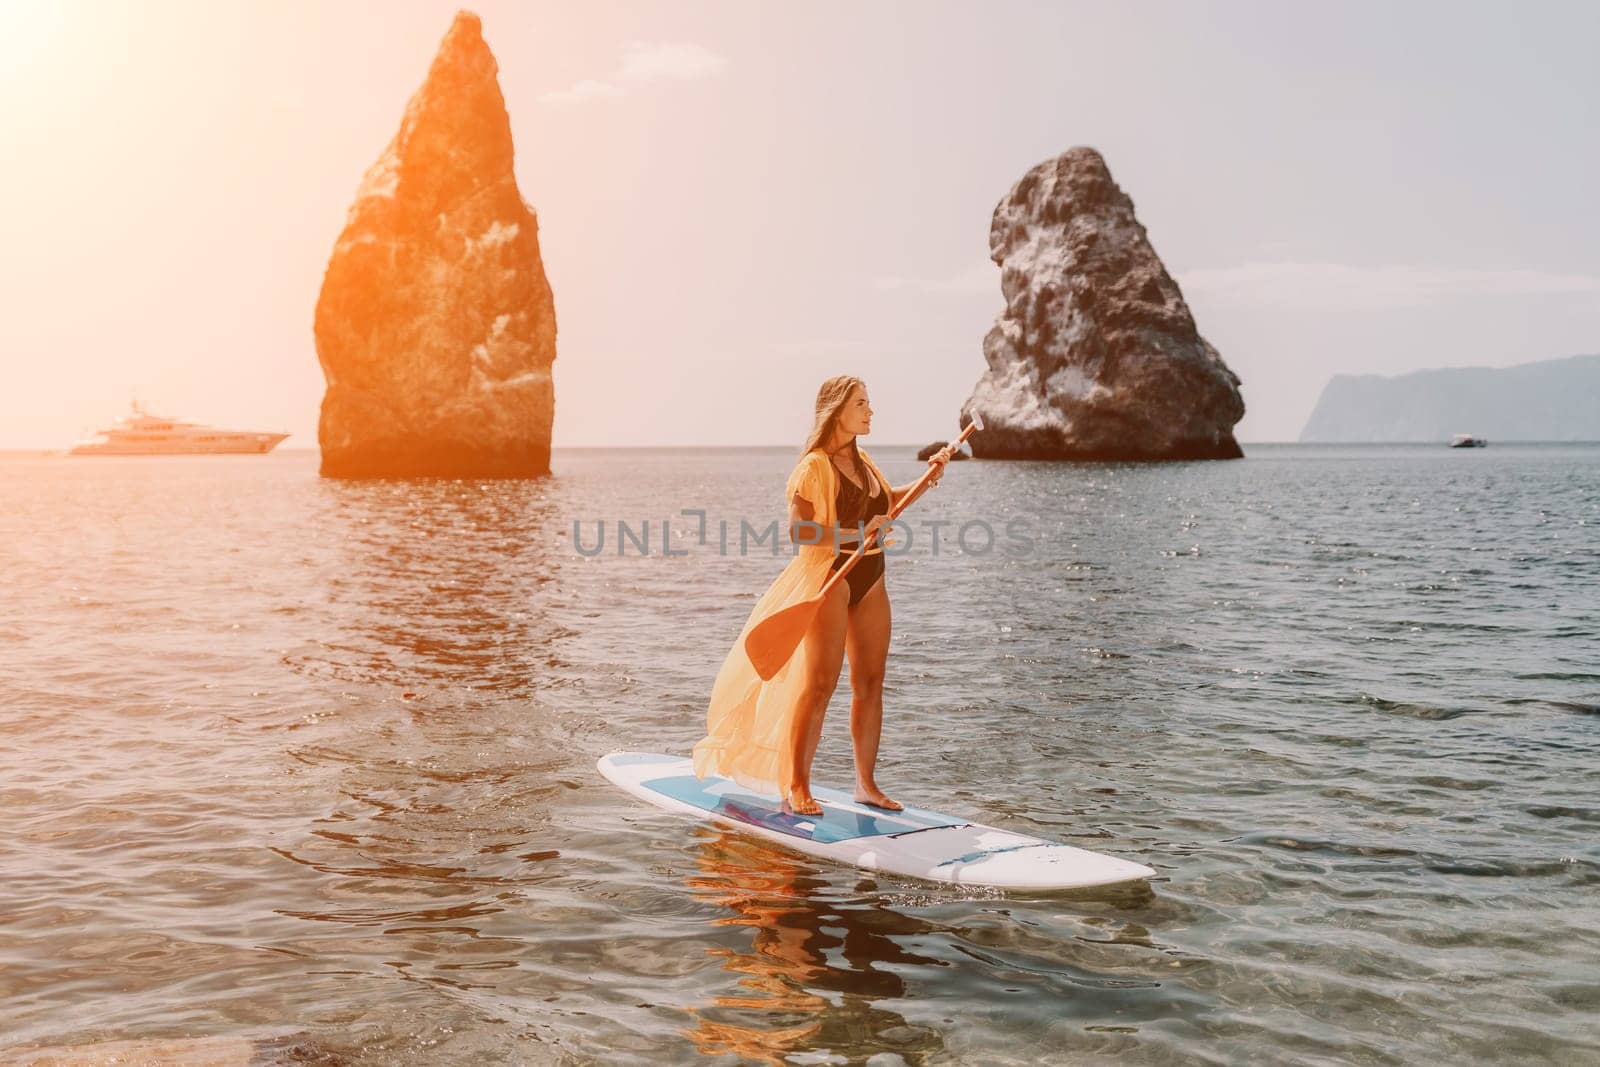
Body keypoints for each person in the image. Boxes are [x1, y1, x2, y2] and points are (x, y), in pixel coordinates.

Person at [693, 375, 955, 816]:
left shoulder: (866, 462)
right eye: (862, 403)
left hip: (871, 574)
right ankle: (797, 785)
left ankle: (866, 785)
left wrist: (927, 479)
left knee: (870, 683)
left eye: (869, 403)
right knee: (819, 686)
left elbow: (885, 504)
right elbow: (799, 530)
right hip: (830, 577)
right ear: (837, 410)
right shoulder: (813, 467)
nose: (871, 411)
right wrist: (856, 532)